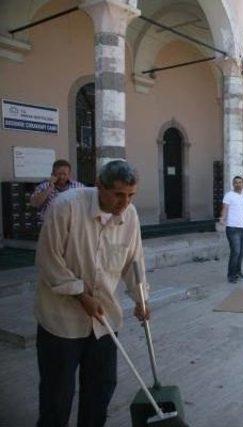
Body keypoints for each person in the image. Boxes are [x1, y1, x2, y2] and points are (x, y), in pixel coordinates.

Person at [34, 160, 150, 427]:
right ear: (99, 186)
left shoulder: (130, 215)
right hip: (60, 322)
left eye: (131, 195)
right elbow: (48, 260)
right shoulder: (66, 206)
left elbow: (134, 261)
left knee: (100, 393)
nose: (124, 203)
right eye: (118, 194)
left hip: (104, 321)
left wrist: (141, 298)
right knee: (56, 397)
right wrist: (80, 294)